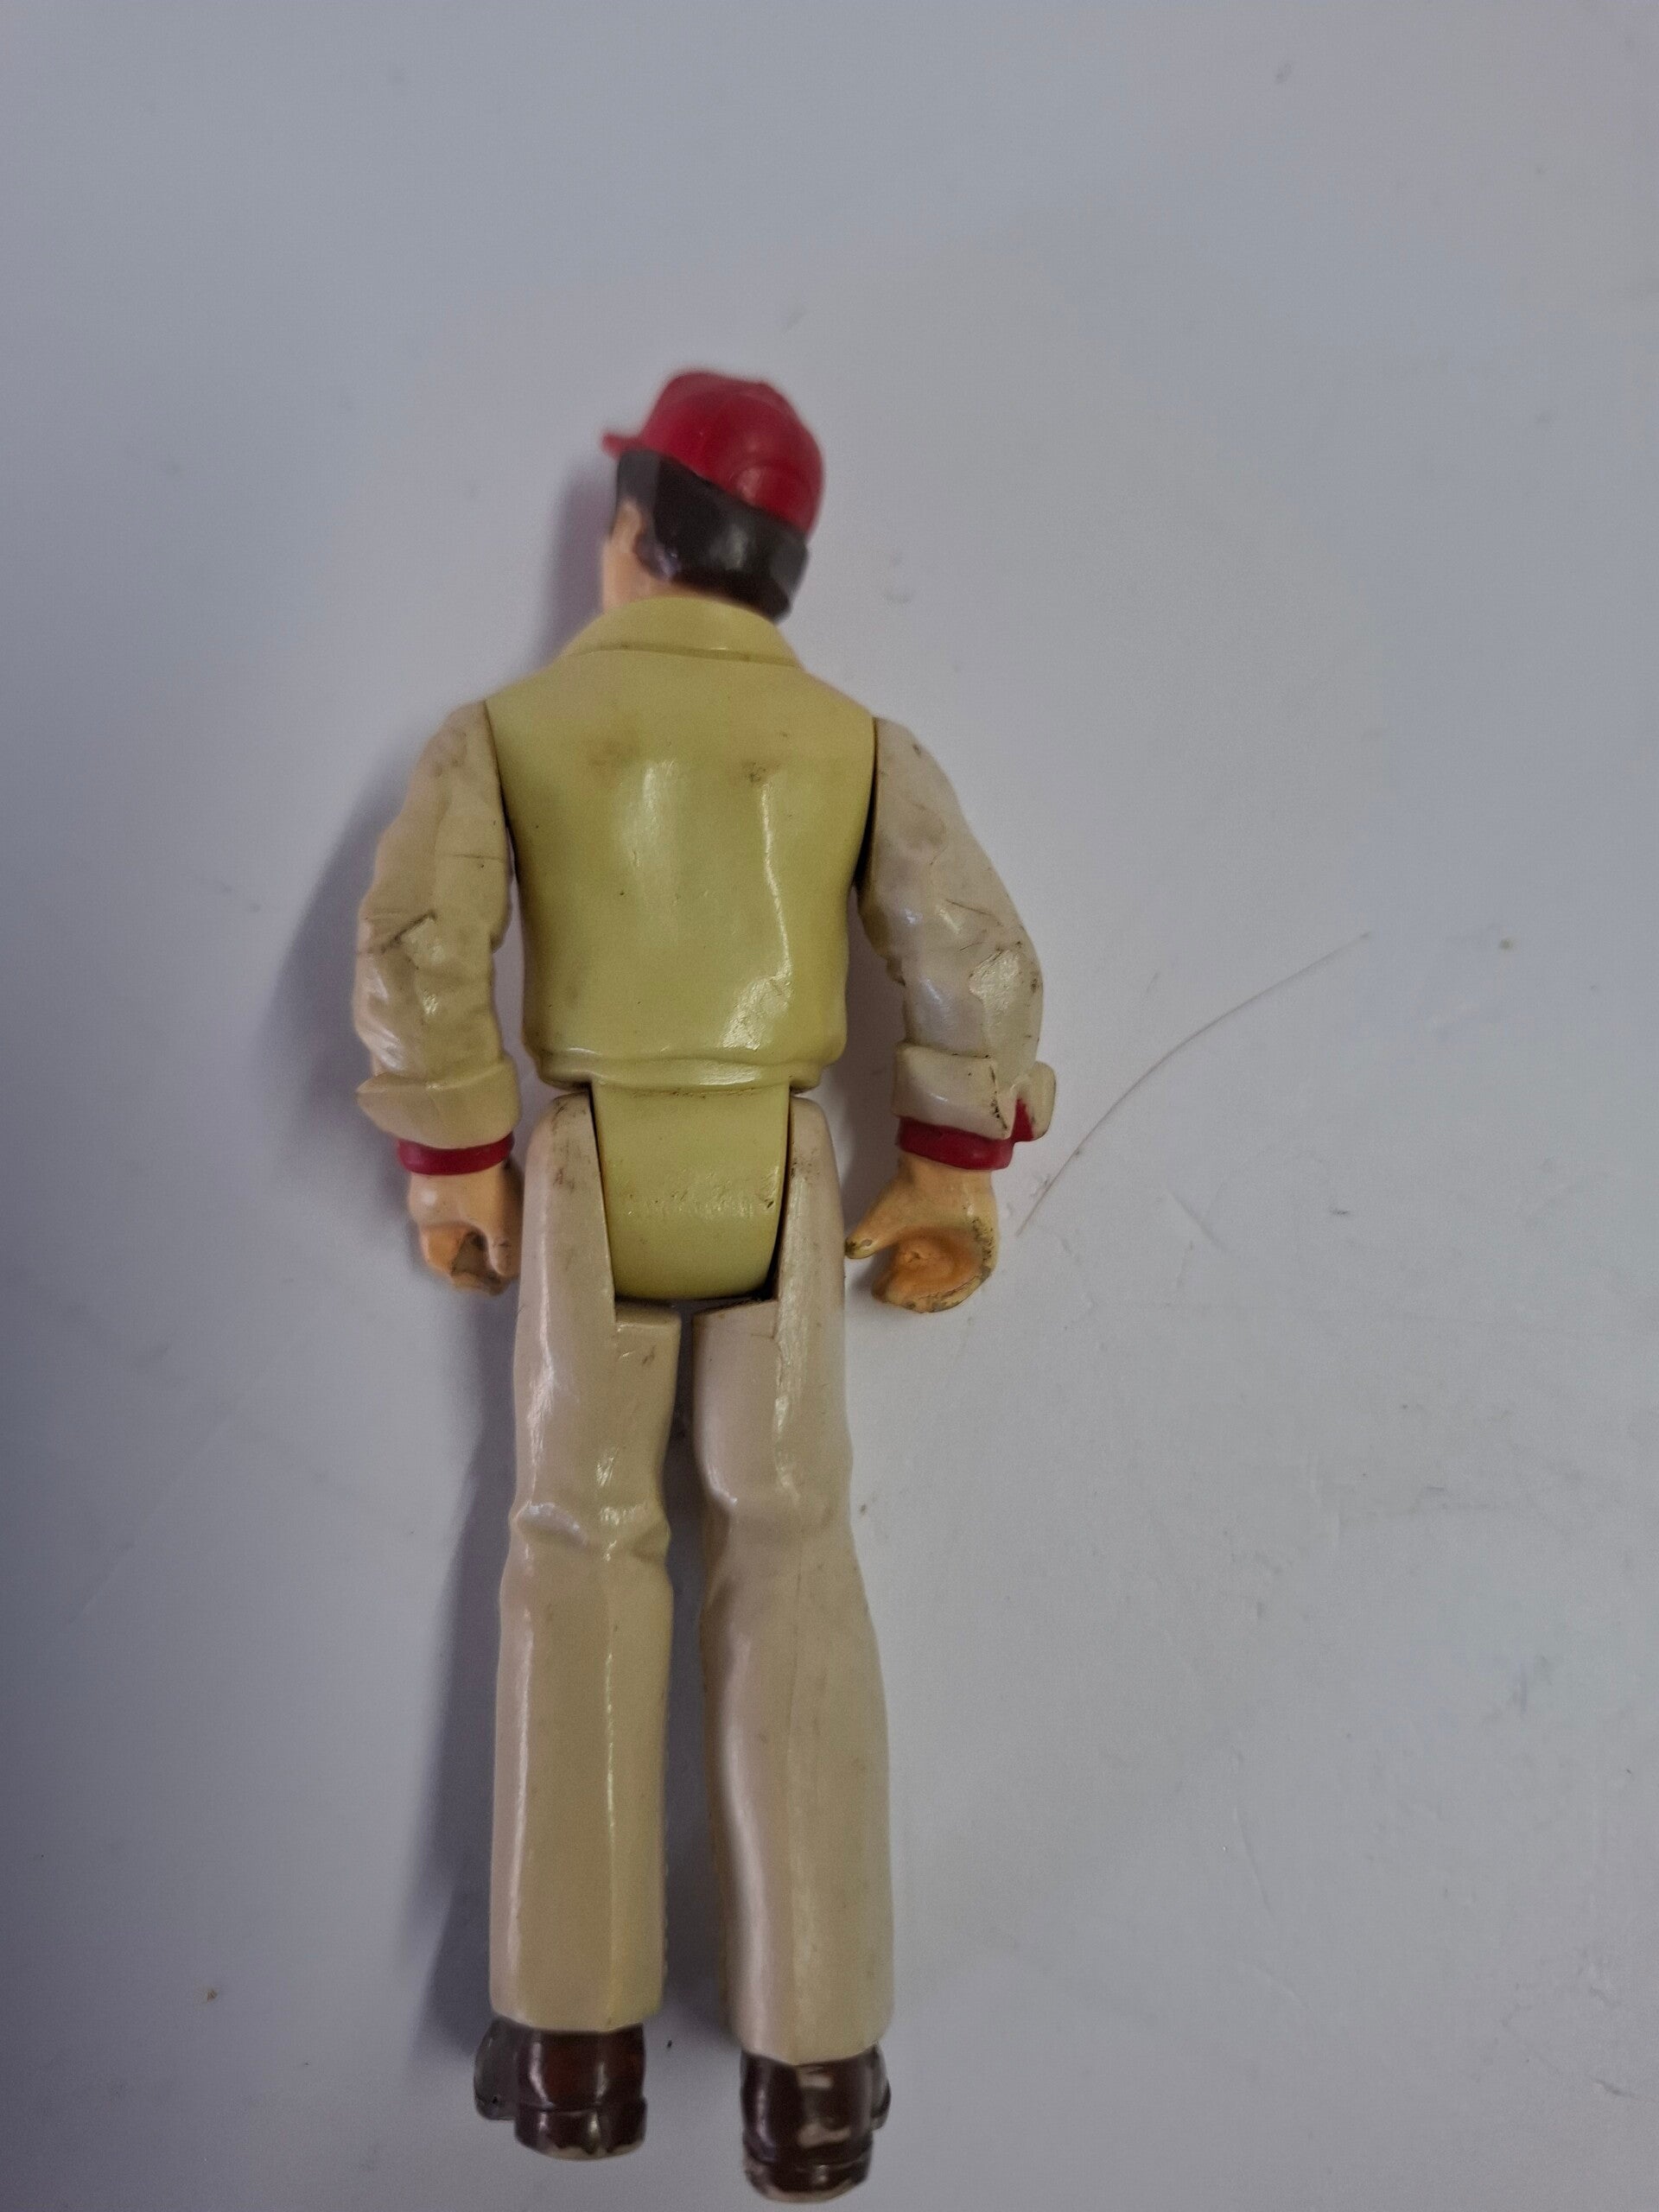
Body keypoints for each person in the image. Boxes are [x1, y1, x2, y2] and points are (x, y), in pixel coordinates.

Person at [352, 370, 1053, 2199]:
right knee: (793, 1557)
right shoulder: (855, 743)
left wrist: (456, 1152)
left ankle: (570, 2040)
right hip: (776, 1170)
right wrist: (950, 1160)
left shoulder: (509, 728)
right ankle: (816, 2063)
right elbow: (973, 953)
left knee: (576, 1552)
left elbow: (421, 943)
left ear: (638, 533)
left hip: (592, 1165)